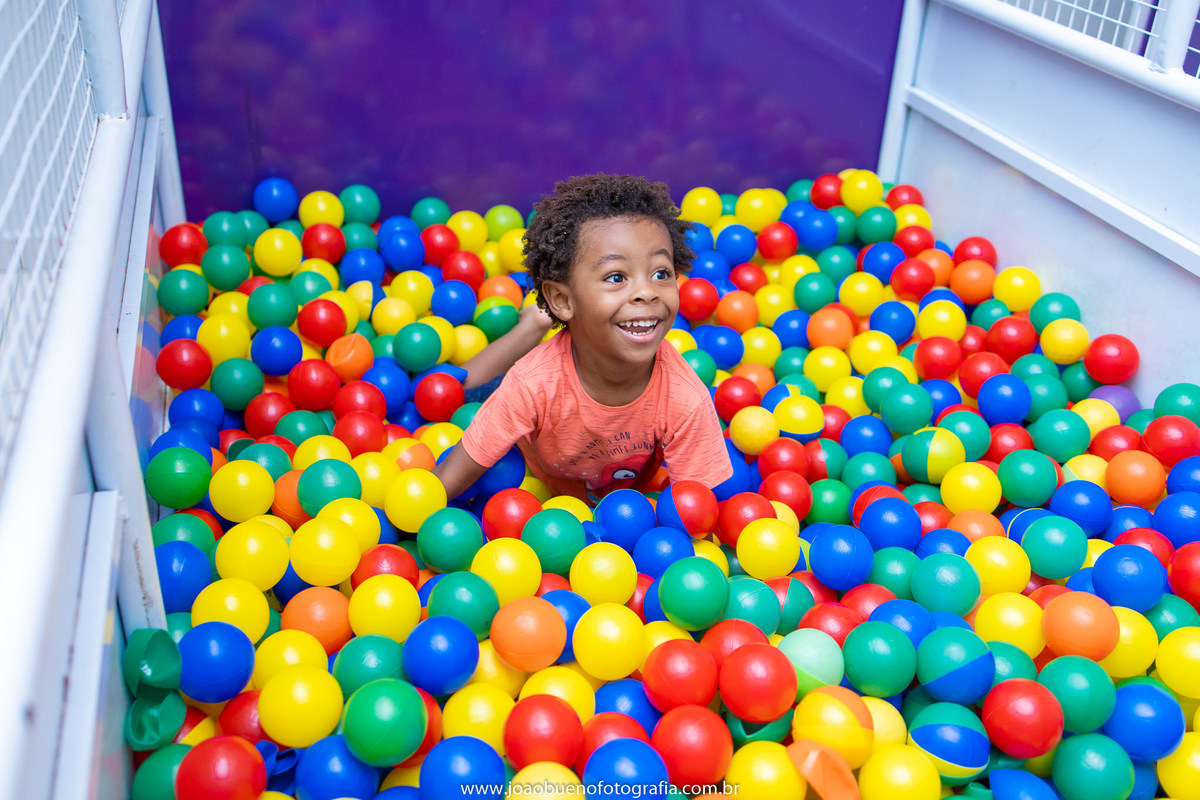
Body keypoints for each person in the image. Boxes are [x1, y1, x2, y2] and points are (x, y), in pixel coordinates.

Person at [433, 173, 734, 504]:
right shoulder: (531, 383)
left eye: (661, 273)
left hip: (614, 505)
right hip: (531, 462)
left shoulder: (685, 399)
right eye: (616, 276)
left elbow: (698, 510)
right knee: (452, 393)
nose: (647, 292)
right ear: (563, 300)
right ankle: (532, 326)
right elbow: (446, 481)